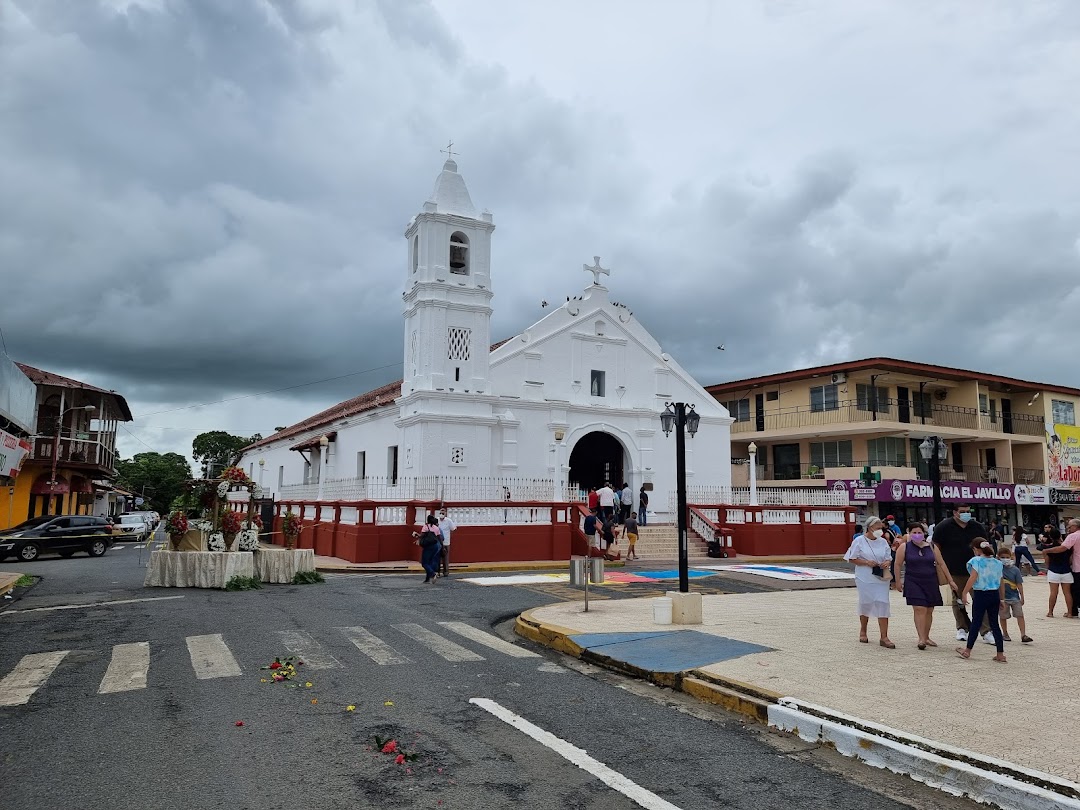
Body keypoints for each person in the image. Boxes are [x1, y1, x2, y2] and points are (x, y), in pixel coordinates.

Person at [933, 504, 992, 643]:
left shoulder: (977, 527)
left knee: (981, 600)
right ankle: (962, 628)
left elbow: (985, 546)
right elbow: (936, 547)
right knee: (958, 600)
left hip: (976, 570)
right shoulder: (944, 527)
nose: (966, 514)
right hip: (954, 570)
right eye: (962, 512)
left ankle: (986, 631)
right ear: (955, 513)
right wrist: (940, 567)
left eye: (968, 511)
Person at [893, 521, 957, 649]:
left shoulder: (932, 547)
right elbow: (897, 564)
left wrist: (950, 580)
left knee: (929, 610)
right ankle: (921, 638)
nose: (917, 535)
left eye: (919, 532)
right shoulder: (904, 547)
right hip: (913, 580)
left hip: (931, 581)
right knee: (919, 608)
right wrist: (898, 581)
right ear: (909, 534)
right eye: (914, 533)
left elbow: (942, 563)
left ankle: (926, 636)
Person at [843, 516, 895, 648]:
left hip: (880, 577)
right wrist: (866, 562)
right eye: (877, 528)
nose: (880, 531)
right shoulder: (859, 541)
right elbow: (851, 558)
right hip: (864, 577)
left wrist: (887, 562)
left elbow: (889, 557)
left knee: (883, 602)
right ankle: (863, 630)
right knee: (866, 602)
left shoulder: (883, 542)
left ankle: (884, 637)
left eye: (881, 528)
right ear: (870, 527)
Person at [956, 540, 1006, 662]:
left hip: (980, 594)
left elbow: (973, 577)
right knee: (994, 624)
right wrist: (1002, 598)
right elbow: (1001, 582)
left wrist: (964, 592)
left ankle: (968, 650)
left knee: (976, 622)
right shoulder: (997, 563)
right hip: (994, 594)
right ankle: (1000, 653)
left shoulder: (976, 561)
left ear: (976, 549)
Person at [1036, 526, 1075, 617]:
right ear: (1060, 535)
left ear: (1050, 536)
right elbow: (1070, 560)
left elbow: (1047, 562)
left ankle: (1050, 612)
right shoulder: (1067, 547)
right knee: (1067, 593)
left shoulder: (1049, 548)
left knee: (1053, 593)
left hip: (1054, 570)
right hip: (1066, 571)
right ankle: (1070, 613)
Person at [997, 546, 1032, 643]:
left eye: (1007, 557)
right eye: (1002, 557)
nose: (1005, 559)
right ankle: (1005, 633)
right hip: (1002, 598)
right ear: (998, 557)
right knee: (1003, 616)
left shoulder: (1015, 570)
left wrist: (1022, 596)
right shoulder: (997, 569)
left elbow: (1019, 584)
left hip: (1014, 596)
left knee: (1020, 615)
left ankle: (1023, 634)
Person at [413, 515, 443, 584]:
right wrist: (442, 547)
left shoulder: (426, 527)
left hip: (428, 546)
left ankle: (432, 574)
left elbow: (422, 536)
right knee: (429, 562)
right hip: (435, 546)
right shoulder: (436, 528)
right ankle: (427, 579)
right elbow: (439, 538)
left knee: (424, 563)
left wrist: (416, 534)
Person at [437, 508, 456, 578]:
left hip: (446, 542)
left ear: (445, 514)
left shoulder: (448, 521)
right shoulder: (437, 520)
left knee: (445, 558)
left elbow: (453, 528)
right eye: (440, 513)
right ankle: (438, 571)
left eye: (443, 513)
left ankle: (446, 571)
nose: (441, 514)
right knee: (437, 557)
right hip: (438, 542)